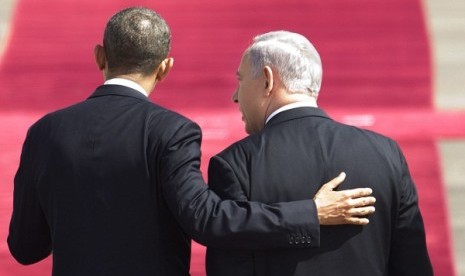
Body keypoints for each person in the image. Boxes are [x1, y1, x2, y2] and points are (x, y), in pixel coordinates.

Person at [7, 8, 376, 276]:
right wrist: (309, 214)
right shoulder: (170, 131)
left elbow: (25, 248)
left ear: (100, 56)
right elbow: (207, 219)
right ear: (165, 66)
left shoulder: (46, 132)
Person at [206, 31, 433, 276]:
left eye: (240, 80)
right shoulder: (386, 153)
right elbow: (413, 264)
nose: (235, 96)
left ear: (267, 80)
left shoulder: (235, 164)